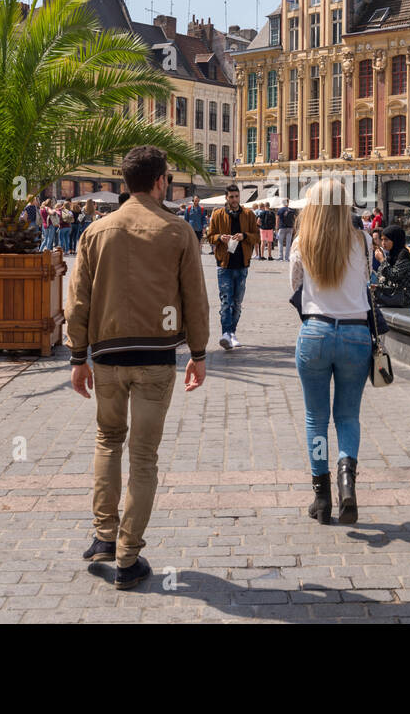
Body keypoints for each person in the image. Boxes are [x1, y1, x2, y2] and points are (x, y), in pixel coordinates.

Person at [67, 145, 208, 591]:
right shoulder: (178, 230)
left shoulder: (96, 231)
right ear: (160, 181)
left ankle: (103, 537)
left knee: (107, 440)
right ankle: (128, 557)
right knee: (143, 456)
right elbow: (195, 300)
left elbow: (78, 299)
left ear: (125, 182)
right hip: (155, 357)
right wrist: (199, 354)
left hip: (106, 356)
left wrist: (77, 357)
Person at [290, 178, 373, 526]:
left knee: (315, 419)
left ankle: (321, 497)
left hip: (316, 332)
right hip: (356, 335)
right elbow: (368, 280)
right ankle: (347, 484)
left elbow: (294, 287)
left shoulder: (302, 242)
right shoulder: (363, 240)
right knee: (348, 416)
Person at [206, 183, 260, 350]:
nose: (234, 200)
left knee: (237, 303)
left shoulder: (248, 214)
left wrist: (244, 235)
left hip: (242, 264)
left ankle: (232, 333)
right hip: (224, 264)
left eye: (236, 196)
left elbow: (256, 237)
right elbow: (209, 236)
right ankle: (225, 334)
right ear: (226, 198)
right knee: (225, 301)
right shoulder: (218, 215)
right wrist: (220, 237)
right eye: (231, 197)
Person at [372, 226, 410, 307]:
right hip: (392, 292)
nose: (383, 243)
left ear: (395, 240)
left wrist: (382, 260)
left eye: (386, 240)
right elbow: (381, 275)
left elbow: (393, 275)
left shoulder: (403, 255)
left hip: (403, 297)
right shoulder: (392, 254)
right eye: (382, 239)